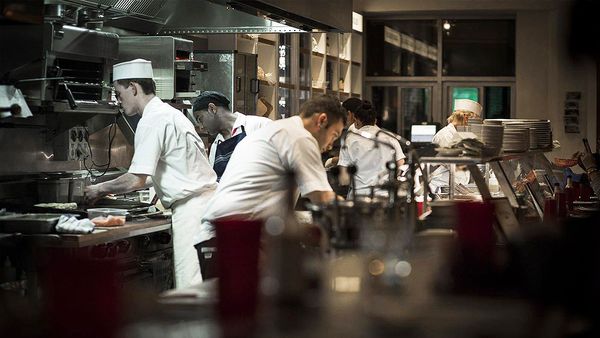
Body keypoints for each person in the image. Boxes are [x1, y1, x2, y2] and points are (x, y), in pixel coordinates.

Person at [85, 59, 217, 288]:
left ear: (134, 88)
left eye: (119, 93)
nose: (118, 100)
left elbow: (137, 178)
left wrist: (98, 189)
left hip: (192, 213)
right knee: (205, 289)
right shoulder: (172, 114)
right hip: (208, 207)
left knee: (191, 290)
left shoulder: (152, 120)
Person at [193, 95, 347, 279]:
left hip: (228, 234)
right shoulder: (300, 137)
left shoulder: (279, 130)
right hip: (232, 235)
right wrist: (360, 212)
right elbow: (322, 198)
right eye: (334, 135)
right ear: (321, 120)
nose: (331, 144)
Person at [192, 91, 272, 181]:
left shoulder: (260, 126)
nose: (201, 127)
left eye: (200, 119)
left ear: (212, 108)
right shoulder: (215, 146)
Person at [338, 100, 406, 197]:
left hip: (358, 197)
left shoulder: (349, 140)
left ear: (356, 120)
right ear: (375, 120)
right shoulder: (390, 137)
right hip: (385, 196)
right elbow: (401, 165)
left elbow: (344, 180)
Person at [429, 99, 482, 192]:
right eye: (475, 121)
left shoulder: (463, 133)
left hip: (457, 185)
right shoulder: (445, 135)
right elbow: (452, 163)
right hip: (442, 185)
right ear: (466, 118)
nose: (475, 126)